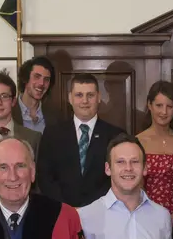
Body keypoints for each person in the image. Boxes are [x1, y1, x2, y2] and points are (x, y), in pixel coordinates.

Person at [37, 73, 125, 207]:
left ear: (99, 97)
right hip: (61, 212)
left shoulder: (115, 136)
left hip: (103, 213)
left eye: (90, 95)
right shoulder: (52, 134)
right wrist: (68, 208)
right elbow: (45, 177)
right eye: (79, 95)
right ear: (70, 98)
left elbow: (117, 178)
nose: (85, 101)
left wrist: (90, 208)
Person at [136, 80, 173, 214]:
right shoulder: (137, 142)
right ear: (149, 105)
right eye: (159, 105)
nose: (164, 111)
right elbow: (134, 186)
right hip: (146, 214)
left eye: (169, 106)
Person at [14, 56, 57, 133]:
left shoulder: (55, 115)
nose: (41, 83)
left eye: (46, 79)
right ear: (25, 78)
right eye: (37, 77)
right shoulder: (9, 111)